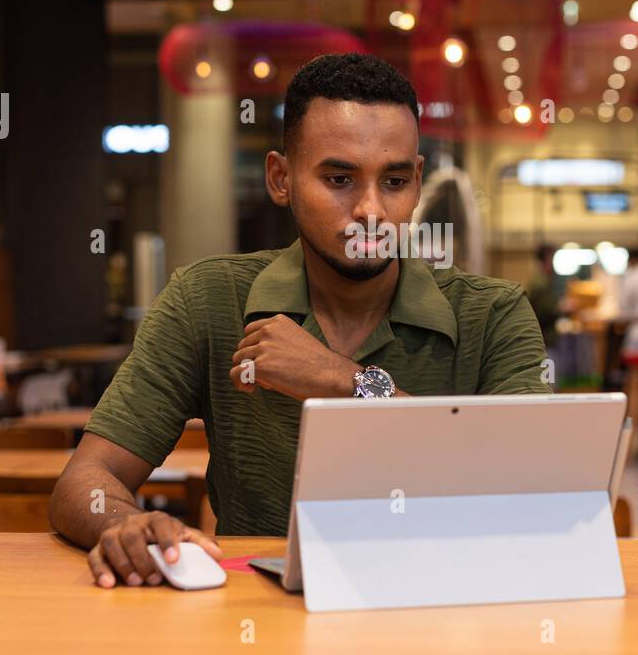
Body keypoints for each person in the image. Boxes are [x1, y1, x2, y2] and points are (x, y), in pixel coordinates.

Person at [50, 53, 552, 588]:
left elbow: (538, 490)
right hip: (260, 620)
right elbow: (84, 479)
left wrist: (347, 382)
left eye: (395, 180)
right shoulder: (208, 298)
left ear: (418, 182)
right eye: (339, 178)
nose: (371, 211)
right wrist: (127, 526)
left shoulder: (493, 313)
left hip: (449, 613)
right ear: (280, 178)